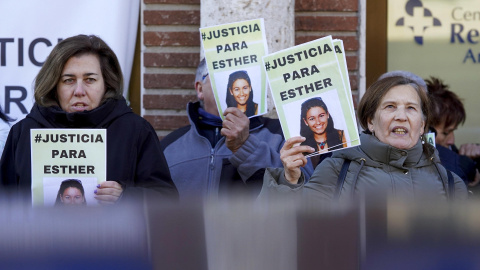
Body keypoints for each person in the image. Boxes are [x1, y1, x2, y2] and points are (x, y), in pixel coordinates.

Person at [0, 34, 178, 204]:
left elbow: (166, 200)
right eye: (69, 80)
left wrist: (125, 195)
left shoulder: (135, 131)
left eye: (90, 80)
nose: (79, 91)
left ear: (107, 83)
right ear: (54, 85)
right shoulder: (24, 132)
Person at [262, 76, 467, 202]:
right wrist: (289, 181)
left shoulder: (448, 181)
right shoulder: (336, 170)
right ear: (370, 121)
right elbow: (293, 230)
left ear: (422, 125)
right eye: (390, 107)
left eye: (411, 108)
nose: (401, 116)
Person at [160, 59, 303, 201]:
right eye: (222, 76)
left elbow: (303, 195)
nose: (234, 83)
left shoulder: (280, 135)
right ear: (200, 89)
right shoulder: (168, 147)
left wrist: (246, 146)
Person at [426, 76, 480, 187]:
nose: (451, 140)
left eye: (453, 131)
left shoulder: (457, 156)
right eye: (445, 133)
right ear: (424, 129)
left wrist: (473, 164)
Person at [300, 97, 347, 168]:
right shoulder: (301, 146)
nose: (318, 122)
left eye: (321, 116)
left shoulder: (343, 136)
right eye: (312, 119)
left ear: (327, 114)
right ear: (306, 121)